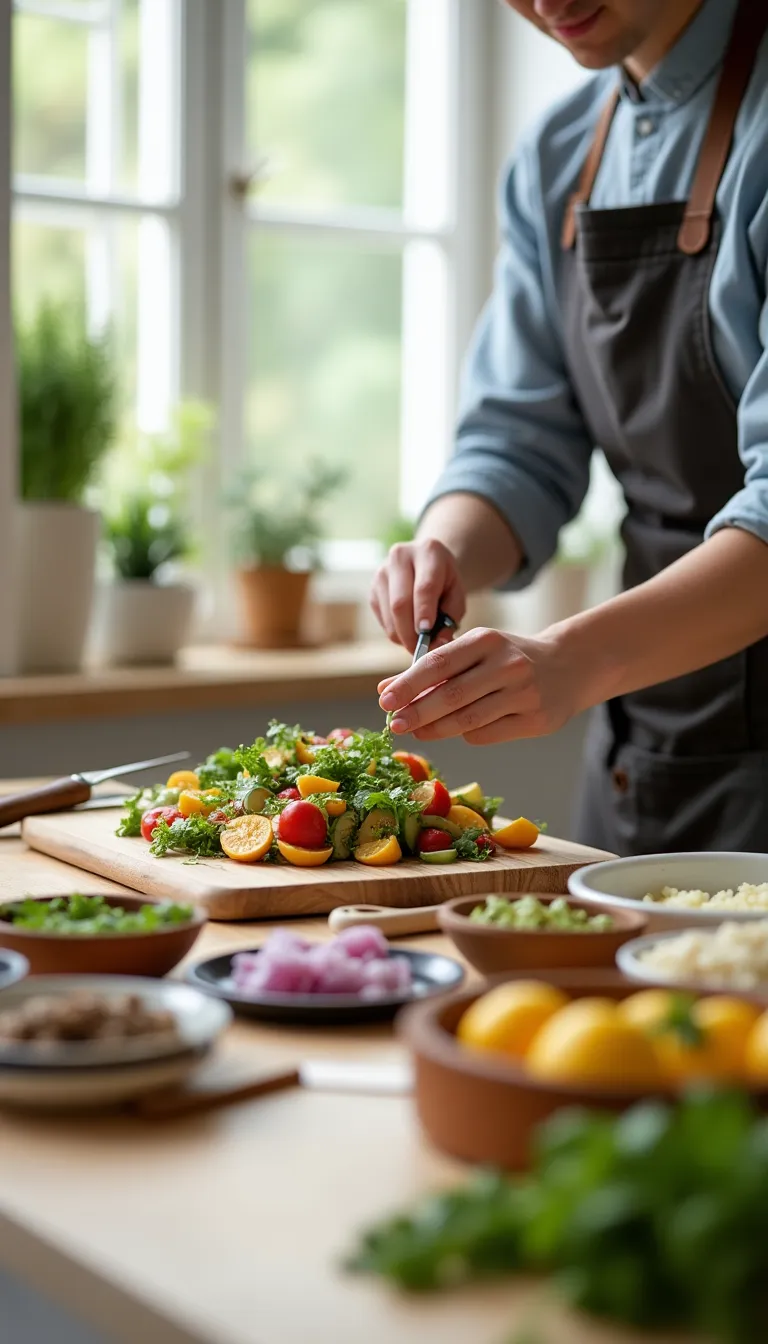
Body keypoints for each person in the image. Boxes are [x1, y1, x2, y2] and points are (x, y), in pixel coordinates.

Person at [370, 0, 768, 857]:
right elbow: (518, 438)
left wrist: (575, 661)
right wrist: (443, 549)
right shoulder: (557, 156)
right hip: (651, 740)